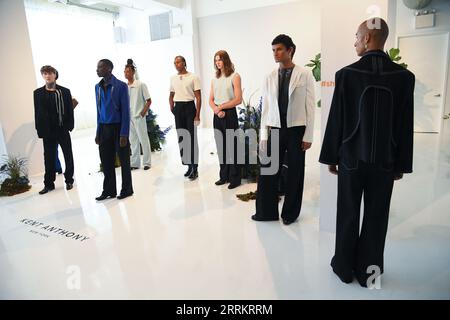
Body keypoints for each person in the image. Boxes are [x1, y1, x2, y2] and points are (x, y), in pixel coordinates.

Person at [319, 18, 415, 287]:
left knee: (347, 213)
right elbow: (405, 125)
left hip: (351, 159)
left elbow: (336, 119)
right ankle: (369, 273)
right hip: (385, 162)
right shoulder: (404, 78)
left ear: (367, 39)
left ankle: (343, 268)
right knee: (377, 216)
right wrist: (401, 165)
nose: (355, 42)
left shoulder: (347, 74)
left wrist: (330, 157)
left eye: (357, 36)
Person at [251, 34, 315, 225]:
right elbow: (265, 109)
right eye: (273, 50)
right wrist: (263, 137)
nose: (275, 53)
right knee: (268, 172)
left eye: (279, 49)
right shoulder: (269, 76)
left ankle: (290, 214)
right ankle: (266, 212)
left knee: (295, 173)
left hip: (297, 130)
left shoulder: (305, 74)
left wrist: (308, 135)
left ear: (290, 50)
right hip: (275, 130)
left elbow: (310, 107)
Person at [95, 59, 133, 201]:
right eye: (97, 67)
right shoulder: (97, 87)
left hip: (118, 128)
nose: (97, 69)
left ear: (109, 69)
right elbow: (98, 112)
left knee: (124, 161)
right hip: (104, 129)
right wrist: (98, 132)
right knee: (106, 161)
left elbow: (126, 112)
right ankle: (109, 190)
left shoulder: (121, 86)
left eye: (100, 67)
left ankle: (127, 189)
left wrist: (124, 133)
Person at [33, 65, 75, 195]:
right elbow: (37, 113)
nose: (47, 76)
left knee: (67, 155)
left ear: (55, 74)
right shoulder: (38, 93)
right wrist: (39, 130)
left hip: (62, 129)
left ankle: (69, 180)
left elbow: (69, 110)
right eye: (45, 73)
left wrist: (69, 126)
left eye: (50, 73)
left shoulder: (65, 91)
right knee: (49, 158)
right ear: (43, 76)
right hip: (47, 131)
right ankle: (49, 184)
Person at [210, 50, 243, 189]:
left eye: (220, 59)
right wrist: (216, 110)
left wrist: (222, 107)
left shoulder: (235, 76)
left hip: (229, 114)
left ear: (226, 60)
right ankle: (224, 176)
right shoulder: (214, 79)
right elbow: (210, 100)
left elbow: (238, 99)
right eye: (216, 60)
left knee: (232, 147)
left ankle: (235, 178)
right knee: (221, 147)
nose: (218, 62)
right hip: (217, 114)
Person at [169, 56, 201, 181]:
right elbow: (171, 94)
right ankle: (188, 165)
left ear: (184, 63)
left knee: (191, 137)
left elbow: (198, 97)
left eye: (178, 62)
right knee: (182, 137)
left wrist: (197, 114)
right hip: (178, 108)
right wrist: (171, 106)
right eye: (174, 62)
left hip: (189, 107)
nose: (176, 64)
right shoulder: (173, 78)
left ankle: (195, 167)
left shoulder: (193, 77)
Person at [124, 59, 152, 171]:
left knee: (143, 139)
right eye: (125, 72)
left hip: (138, 117)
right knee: (133, 141)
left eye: (128, 71)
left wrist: (142, 113)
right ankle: (135, 163)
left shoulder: (141, 85)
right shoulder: (125, 86)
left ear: (133, 72)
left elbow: (149, 100)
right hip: (129, 118)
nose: (126, 73)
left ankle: (147, 162)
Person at [55, 97, 78, 174]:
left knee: (66, 152)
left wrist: (67, 113)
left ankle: (60, 169)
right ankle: (58, 168)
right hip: (52, 128)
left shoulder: (61, 93)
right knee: (55, 150)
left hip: (62, 128)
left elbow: (75, 101)